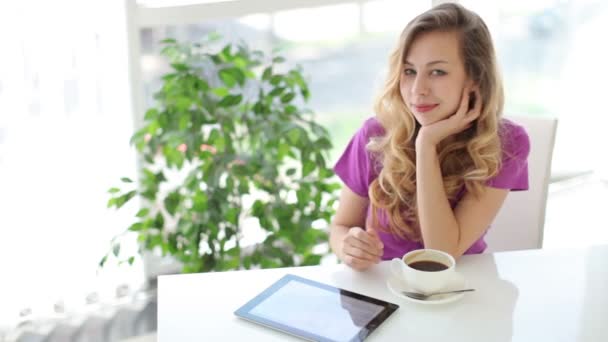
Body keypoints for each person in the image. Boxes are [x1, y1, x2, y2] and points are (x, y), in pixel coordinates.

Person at [330, 2, 530, 271]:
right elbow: (341, 226)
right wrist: (348, 246)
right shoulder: (375, 135)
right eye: (410, 71)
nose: (417, 90)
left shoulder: (505, 142)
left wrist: (426, 144)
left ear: (474, 77)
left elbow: (442, 254)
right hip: (382, 291)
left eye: (437, 72)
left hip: (461, 288)